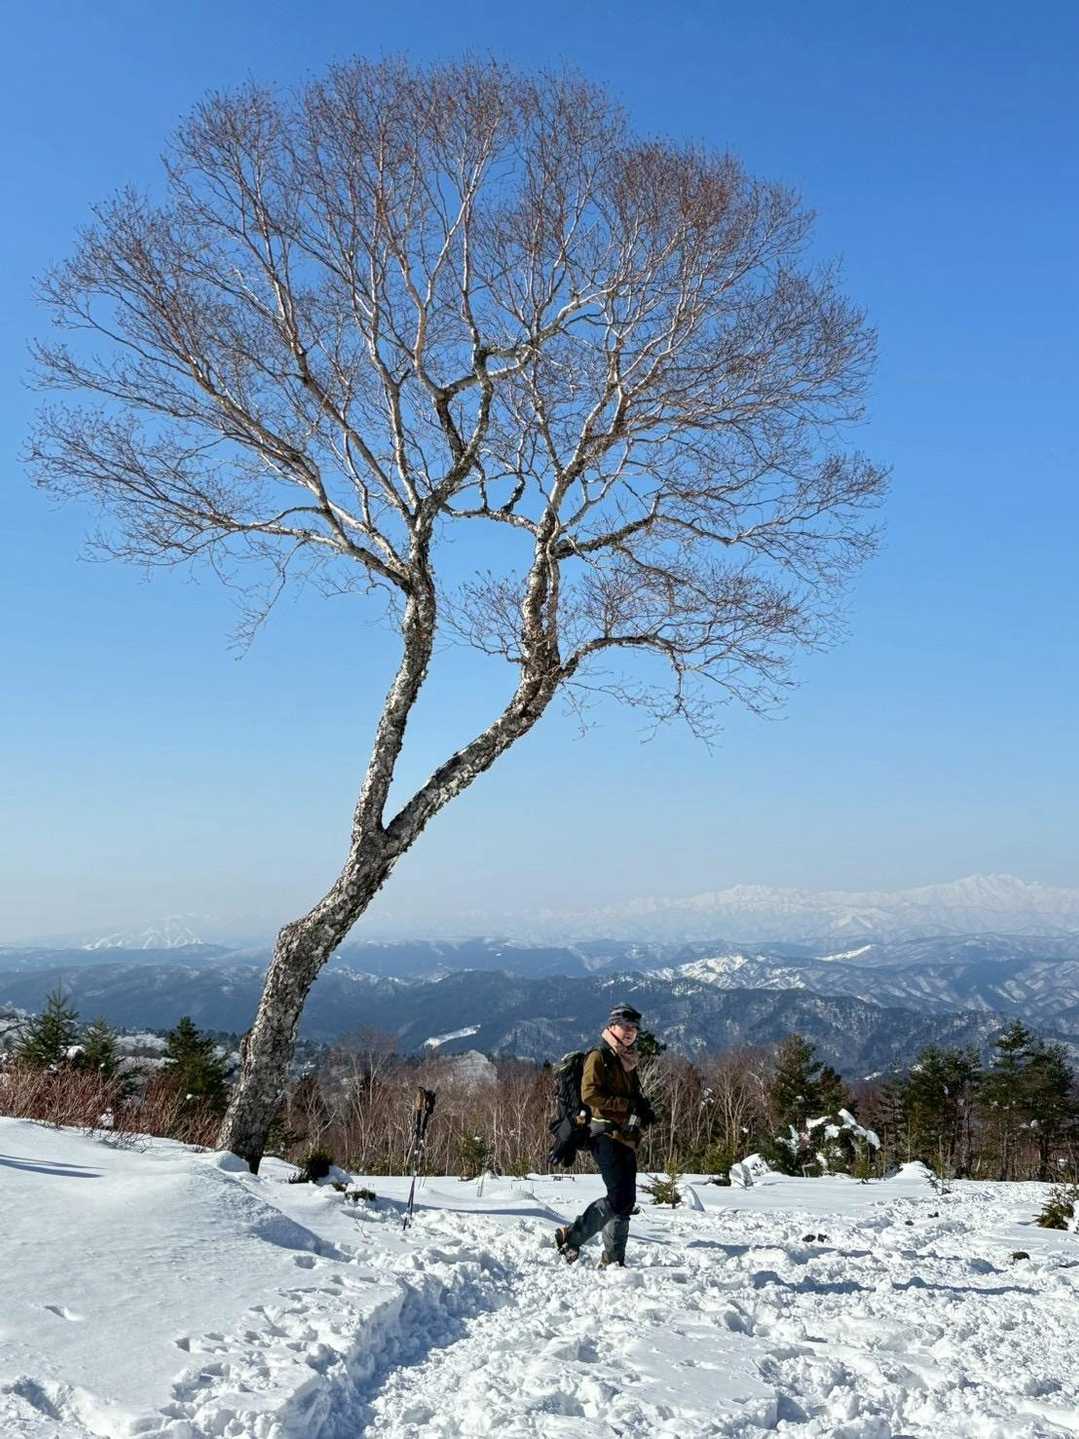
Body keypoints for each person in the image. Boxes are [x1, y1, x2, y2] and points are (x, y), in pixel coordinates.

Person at [555, 1003, 656, 1267]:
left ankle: (613, 1260)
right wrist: (627, 1105)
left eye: (634, 1028)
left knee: (626, 1201)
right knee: (619, 1197)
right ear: (612, 1027)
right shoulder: (599, 1057)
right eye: (625, 1026)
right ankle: (572, 1236)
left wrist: (642, 1108)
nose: (630, 1031)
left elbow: (631, 1095)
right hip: (604, 1135)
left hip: (626, 1136)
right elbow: (589, 1094)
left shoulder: (627, 1059)